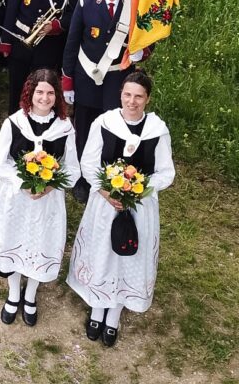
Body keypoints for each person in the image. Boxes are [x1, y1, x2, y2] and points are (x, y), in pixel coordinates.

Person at [67, 70, 175, 347]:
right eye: (127, 94)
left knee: (128, 255)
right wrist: (105, 191)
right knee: (102, 252)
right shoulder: (105, 122)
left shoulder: (157, 130)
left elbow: (166, 173)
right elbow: (89, 163)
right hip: (105, 202)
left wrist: (138, 189)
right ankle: (97, 306)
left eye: (138, 96)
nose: (132, 101)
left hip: (139, 206)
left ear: (147, 99)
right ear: (121, 95)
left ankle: (114, 314)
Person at [0, 69, 80, 327]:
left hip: (47, 202)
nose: (44, 97)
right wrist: (22, 183)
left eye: (50, 93)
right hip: (16, 199)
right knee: (14, 242)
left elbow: (73, 169)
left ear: (57, 96)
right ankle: (14, 293)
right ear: (30, 93)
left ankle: (30, 296)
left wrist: (50, 187)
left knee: (40, 244)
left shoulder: (64, 129)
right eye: (39, 92)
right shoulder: (14, 123)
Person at [62, 0, 138, 202]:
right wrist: (68, 82)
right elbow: (72, 44)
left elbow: (144, 38)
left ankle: (109, 177)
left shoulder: (133, 5)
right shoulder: (86, 3)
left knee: (113, 129)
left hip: (117, 79)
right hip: (86, 76)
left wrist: (142, 52)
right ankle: (82, 178)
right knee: (83, 128)